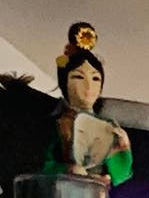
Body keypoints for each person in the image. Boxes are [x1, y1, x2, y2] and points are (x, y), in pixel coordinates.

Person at [52, 22, 133, 184]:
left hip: (98, 195)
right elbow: (47, 165)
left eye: (96, 79)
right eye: (78, 77)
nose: (88, 86)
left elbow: (122, 173)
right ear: (65, 83)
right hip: (66, 192)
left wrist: (123, 148)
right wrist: (68, 170)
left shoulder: (108, 126)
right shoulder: (60, 124)